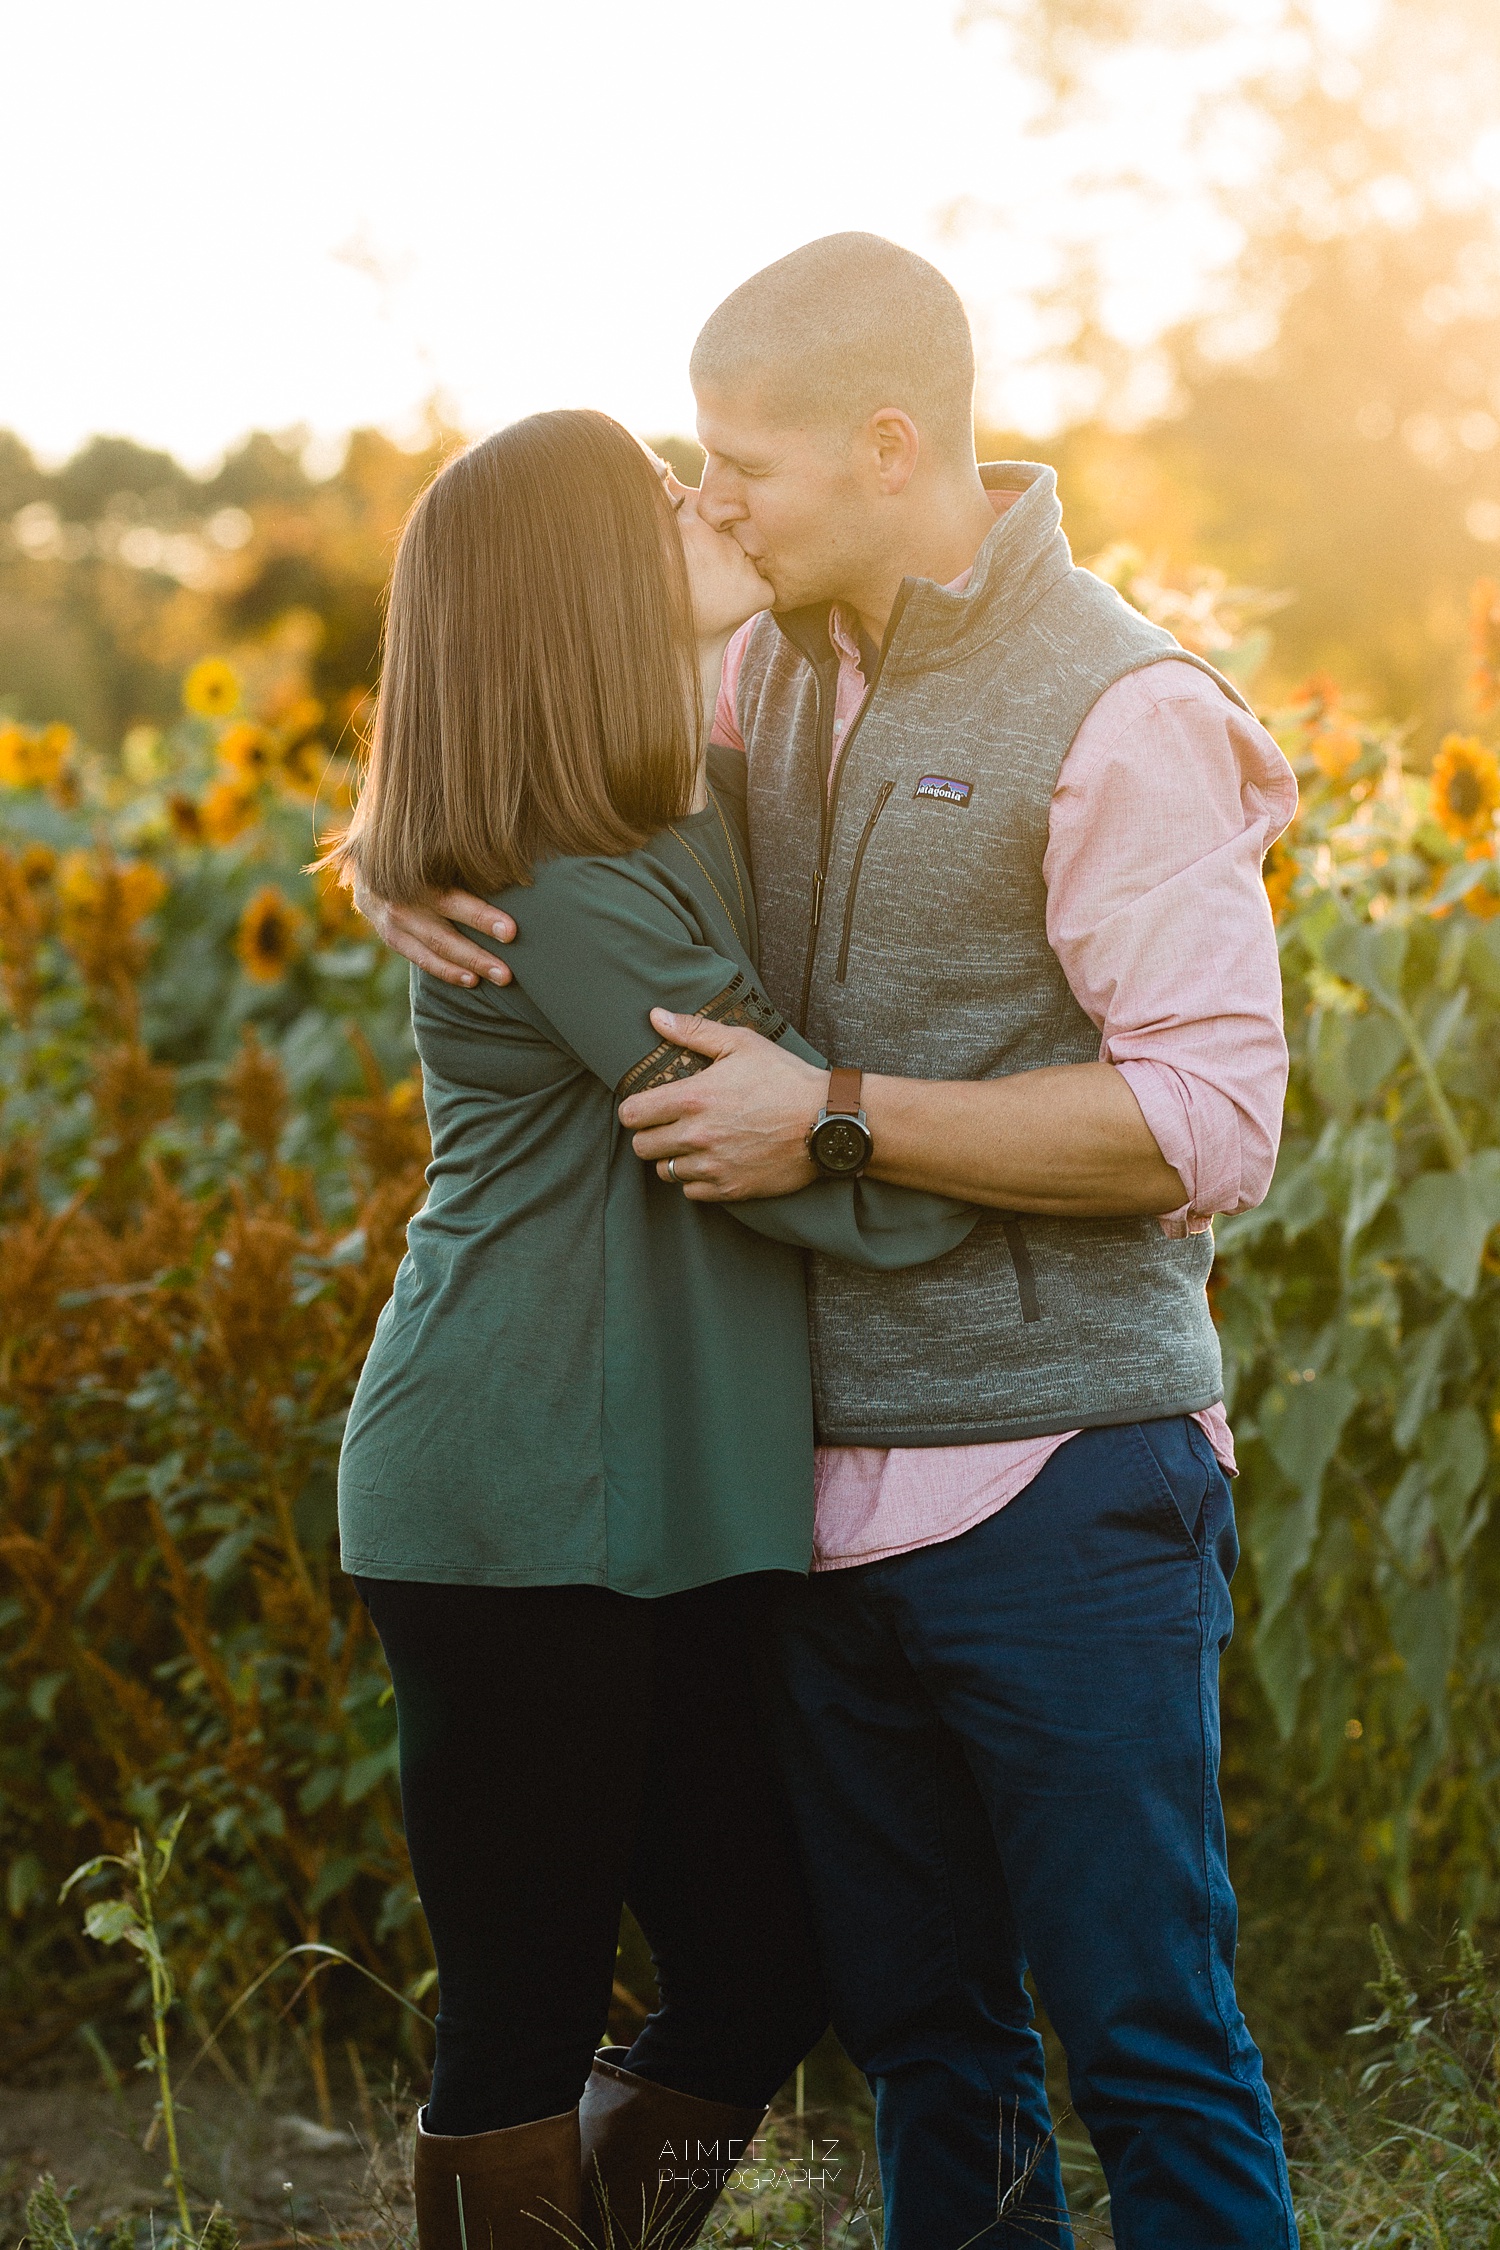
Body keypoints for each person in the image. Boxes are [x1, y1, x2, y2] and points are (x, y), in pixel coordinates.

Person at [355, 238, 1300, 2249]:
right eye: (687, 482)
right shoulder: (745, 662)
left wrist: (846, 1116)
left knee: (1138, 2036)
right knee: (914, 2038)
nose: (708, 514)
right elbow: (499, 729)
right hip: (773, 1508)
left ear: (885, 447)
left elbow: (1217, 1120)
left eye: (734, 471)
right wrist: (381, 868)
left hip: (1051, 1475)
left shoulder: (1119, 706)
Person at [328, 406, 974, 2250]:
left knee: (763, 1968)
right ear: (572, 590)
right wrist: (1091, 1147)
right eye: (655, 492)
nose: (705, 497)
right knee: (520, 2022)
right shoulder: (564, 873)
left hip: (665, 1505)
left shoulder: (655, 807)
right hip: (521, 1500)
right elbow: (806, 1159)